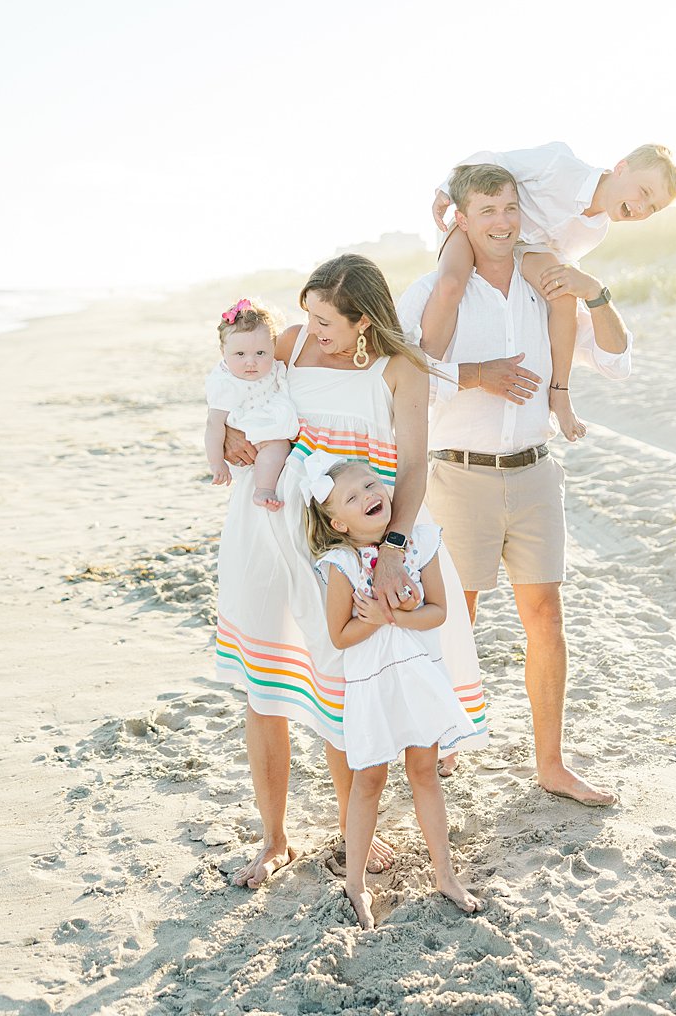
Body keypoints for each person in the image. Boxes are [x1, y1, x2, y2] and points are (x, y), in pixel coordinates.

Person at [217, 255, 488, 888]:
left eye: (327, 320)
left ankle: (350, 825)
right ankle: (275, 839)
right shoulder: (293, 342)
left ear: (364, 321)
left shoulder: (402, 368)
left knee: (341, 679)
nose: (311, 329)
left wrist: (393, 546)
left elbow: (415, 468)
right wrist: (229, 430)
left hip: (355, 536)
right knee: (265, 683)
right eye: (307, 315)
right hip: (269, 525)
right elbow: (240, 384)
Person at [398, 164, 632, 803]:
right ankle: (444, 740)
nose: (501, 223)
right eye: (486, 212)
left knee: (545, 616)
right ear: (462, 221)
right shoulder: (433, 288)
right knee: (457, 617)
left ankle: (552, 764)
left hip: (534, 473)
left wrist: (596, 293)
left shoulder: (544, 284)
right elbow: (402, 373)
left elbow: (616, 361)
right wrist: (477, 374)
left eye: (509, 209)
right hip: (459, 475)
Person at [304, 452, 481, 928]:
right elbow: (340, 636)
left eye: (372, 484)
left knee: (424, 771)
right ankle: (356, 882)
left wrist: (392, 615)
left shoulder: (419, 543)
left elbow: (439, 611)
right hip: (372, 685)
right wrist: (374, 619)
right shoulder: (340, 564)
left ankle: (445, 873)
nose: (370, 495)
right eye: (353, 495)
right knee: (369, 781)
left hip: (418, 676)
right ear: (338, 522)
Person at [422, 142, 676, 442]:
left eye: (652, 208)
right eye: (644, 193)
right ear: (622, 168)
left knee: (563, 296)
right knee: (452, 283)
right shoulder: (559, 164)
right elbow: (494, 160)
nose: (641, 208)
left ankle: (559, 393)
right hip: (487, 223)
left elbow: (557, 258)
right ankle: (422, 374)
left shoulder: (596, 230)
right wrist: (446, 188)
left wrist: (577, 288)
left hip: (525, 247)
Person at [205, 298, 299, 510]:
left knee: (280, 446)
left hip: (269, 418)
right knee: (277, 446)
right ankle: (263, 490)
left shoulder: (273, 365)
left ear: (273, 347)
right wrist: (216, 462)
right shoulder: (226, 383)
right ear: (223, 352)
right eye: (240, 354)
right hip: (250, 429)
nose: (251, 361)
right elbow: (214, 424)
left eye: (260, 353)